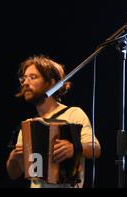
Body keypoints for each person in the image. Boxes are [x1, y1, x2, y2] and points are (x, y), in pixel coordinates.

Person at [6, 55, 101, 188]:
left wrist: (74, 148)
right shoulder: (28, 126)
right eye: (23, 78)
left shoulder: (73, 114)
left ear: (51, 83)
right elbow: (14, 174)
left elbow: (95, 149)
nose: (26, 83)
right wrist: (13, 159)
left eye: (33, 77)